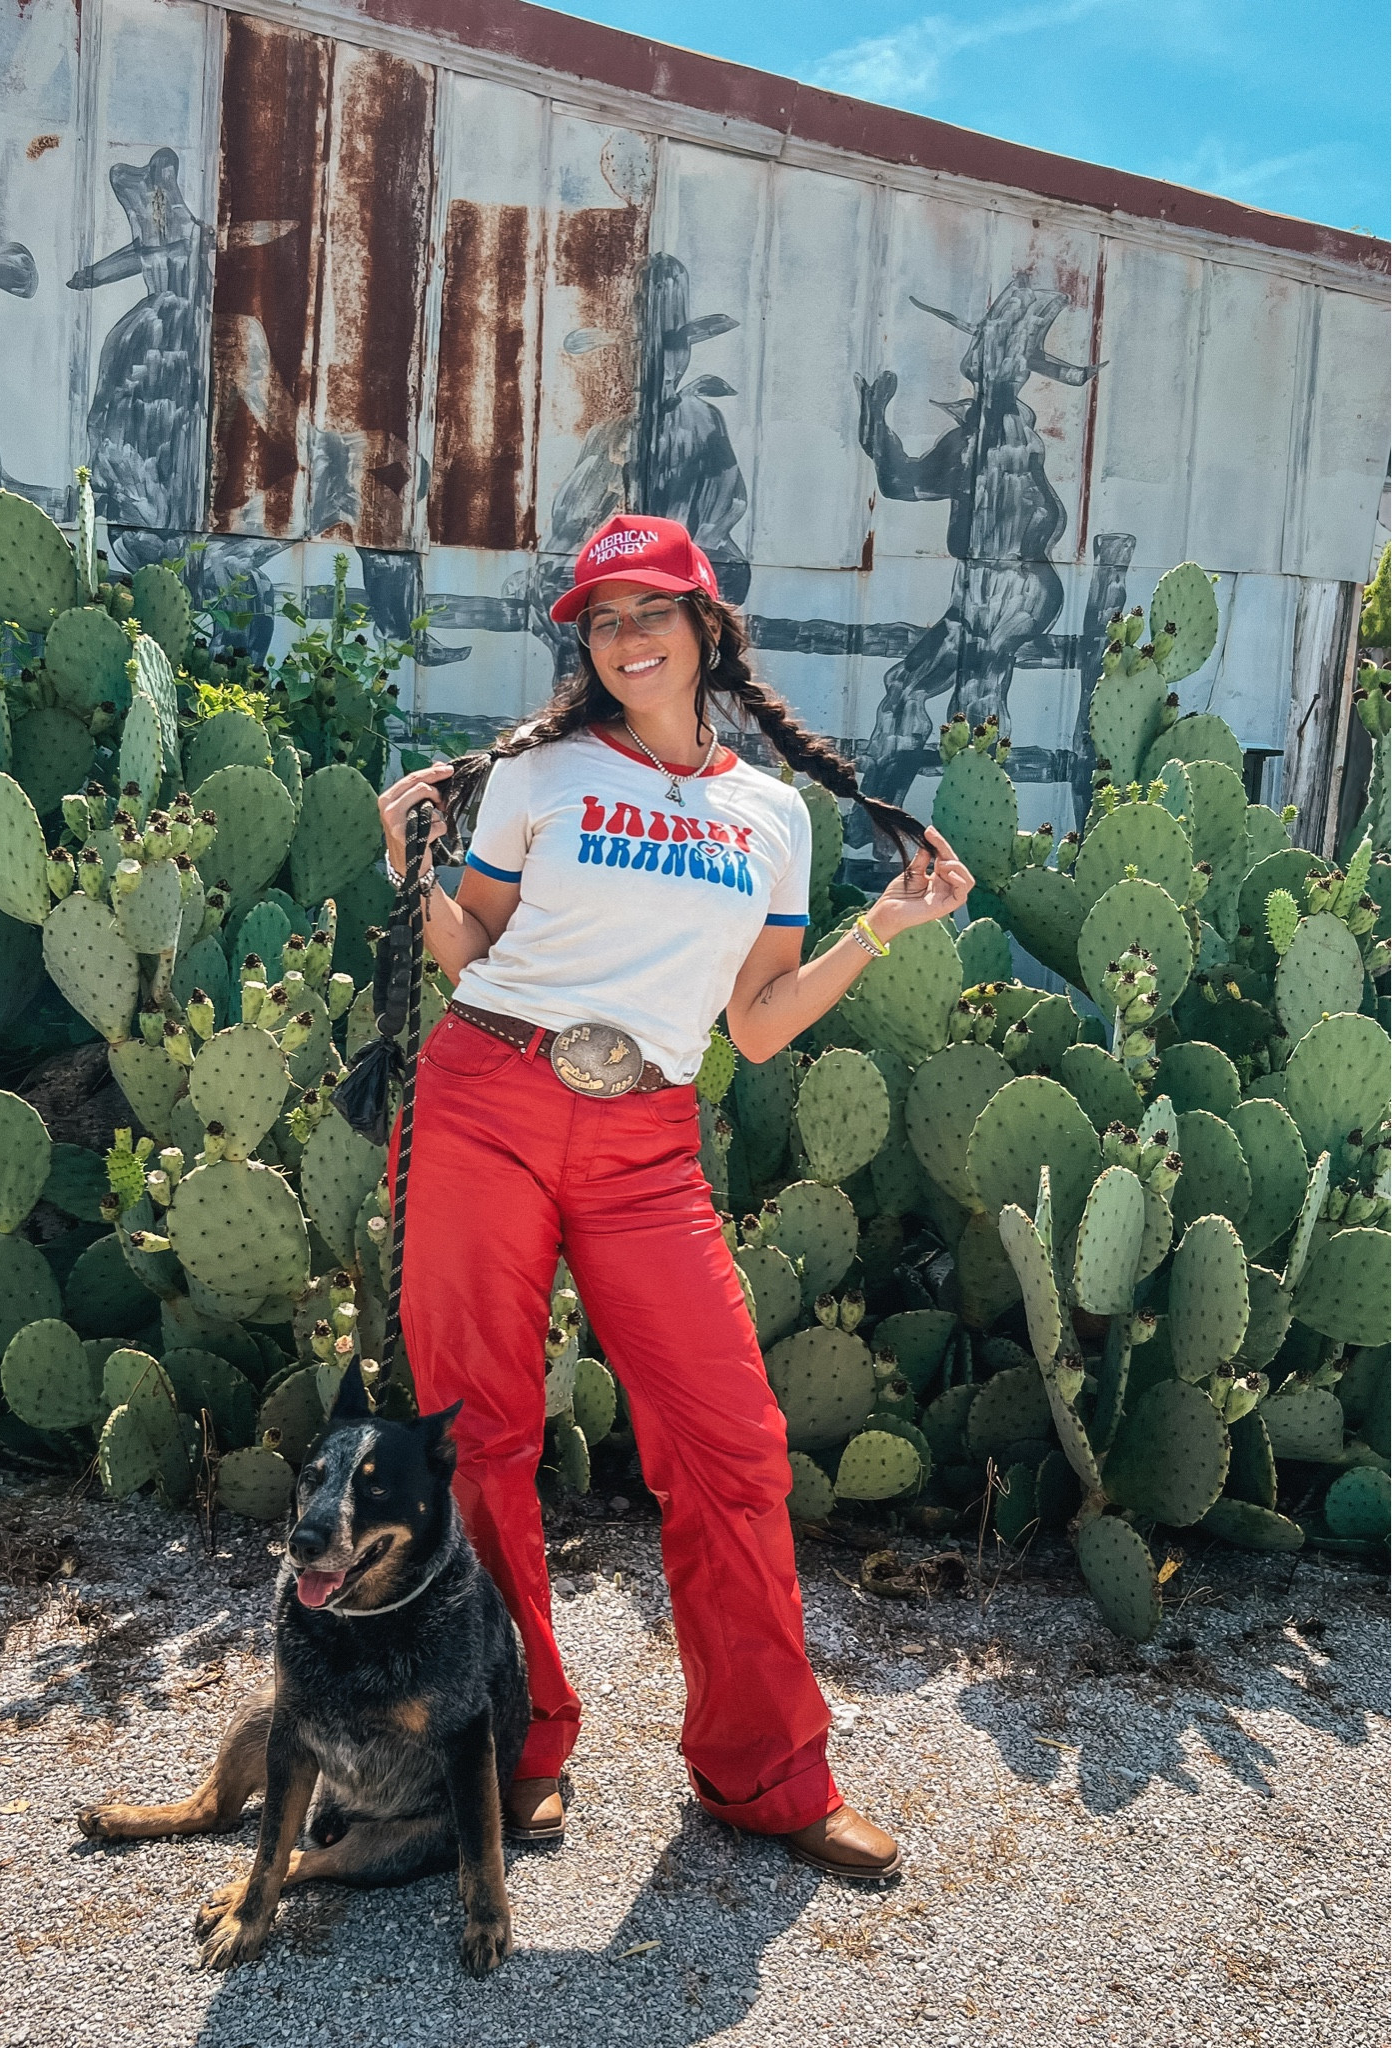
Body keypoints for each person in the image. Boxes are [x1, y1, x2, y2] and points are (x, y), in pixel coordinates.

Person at [377, 513, 973, 1880]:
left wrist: (883, 927)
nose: (627, 637)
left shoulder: (769, 816)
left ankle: (764, 1776)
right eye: (601, 617)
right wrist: (409, 862)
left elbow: (756, 1027)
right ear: (583, 644)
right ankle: (509, 1745)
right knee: (478, 1441)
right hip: (490, 1099)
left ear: (710, 627)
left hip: (647, 1135)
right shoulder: (539, 775)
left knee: (733, 1444)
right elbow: (469, 949)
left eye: (652, 610)